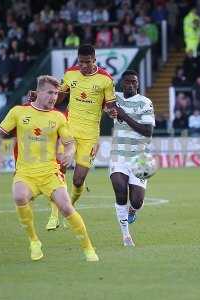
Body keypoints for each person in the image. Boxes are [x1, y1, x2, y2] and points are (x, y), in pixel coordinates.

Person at [0, 75, 99, 262]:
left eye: (56, 93)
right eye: (50, 92)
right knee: (19, 196)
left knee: (66, 207)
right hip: (25, 172)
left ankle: (88, 248)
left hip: (50, 173)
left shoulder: (58, 117)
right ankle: (34, 241)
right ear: (39, 92)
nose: (54, 97)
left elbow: (69, 142)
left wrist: (69, 152)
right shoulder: (18, 112)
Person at [29, 44, 116, 230]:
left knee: (78, 180)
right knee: (58, 170)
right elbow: (59, 98)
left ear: (94, 60)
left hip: (90, 136)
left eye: (87, 62)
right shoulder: (70, 74)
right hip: (68, 129)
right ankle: (54, 215)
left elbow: (110, 105)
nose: (83, 66)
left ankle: (70, 206)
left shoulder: (106, 80)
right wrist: (40, 98)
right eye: (81, 62)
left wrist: (112, 111)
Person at [108, 70, 155, 246]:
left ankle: (133, 210)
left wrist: (124, 116)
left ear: (138, 84)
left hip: (140, 156)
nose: (130, 84)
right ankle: (126, 235)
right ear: (122, 83)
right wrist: (110, 112)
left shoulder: (145, 102)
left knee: (137, 200)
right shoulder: (114, 98)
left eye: (133, 82)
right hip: (118, 154)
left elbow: (148, 132)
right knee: (120, 190)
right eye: (127, 81)